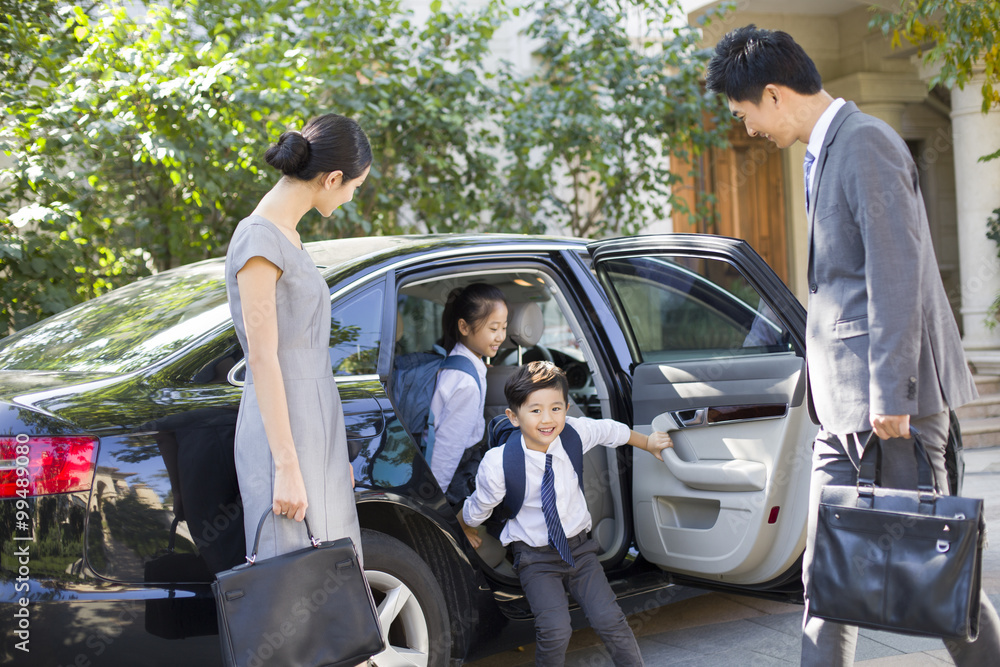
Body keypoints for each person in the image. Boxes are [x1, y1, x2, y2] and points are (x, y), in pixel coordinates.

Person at [705, 25, 1000, 666]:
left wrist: (891, 395)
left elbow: (896, 275)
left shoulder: (866, 144)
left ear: (775, 95)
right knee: (829, 575)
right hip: (843, 407)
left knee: (939, 566)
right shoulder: (825, 151)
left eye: (744, 112)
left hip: (892, 405)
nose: (748, 128)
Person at [224, 113, 371, 563]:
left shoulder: (288, 235)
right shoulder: (259, 240)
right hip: (283, 432)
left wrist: (332, 449)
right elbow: (264, 359)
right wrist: (287, 466)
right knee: (294, 575)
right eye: (354, 188)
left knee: (333, 571)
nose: (350, 198)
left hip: (313, 422)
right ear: (332, 179)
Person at [459, 361, 673, 666]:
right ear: (513, 416)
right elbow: (479, 505)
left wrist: (648, 442)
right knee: (556, 630)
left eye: (556, 408)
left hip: (580, 550)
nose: (547, 419)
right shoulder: (498, 464)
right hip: (535, 558)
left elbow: (612, 431)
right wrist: (466, 527)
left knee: (610, 620)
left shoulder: (574, 433)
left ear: (567, 408)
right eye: (535, 411)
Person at [428, 283, 508, 499]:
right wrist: (435, 502)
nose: (501, 336)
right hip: (455, 477)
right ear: (464, 327)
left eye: (504, 327)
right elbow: (448, 448)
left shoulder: (460, 363)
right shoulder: (466, 382)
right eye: (493, 329)